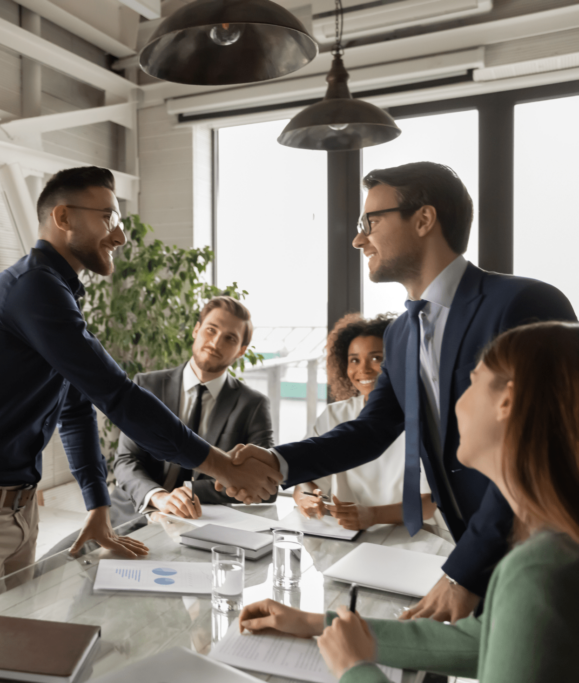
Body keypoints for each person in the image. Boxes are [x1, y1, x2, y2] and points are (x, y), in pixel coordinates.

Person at [0, 166, 280, 606]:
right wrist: (226, 467)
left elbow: (76, 408)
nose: (120, 236)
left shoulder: (58, 293)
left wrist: (98, 507)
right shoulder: (33, 289)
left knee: (16, 645)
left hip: (15, 513)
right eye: (109, 219)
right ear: (64, 218)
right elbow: (117, 395)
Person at [235, 161, 575, 622]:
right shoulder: (400, 335)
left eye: (370, 222)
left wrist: (465, 571)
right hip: (464, 548)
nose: (358, 239)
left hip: (539, 558)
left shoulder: (522, 303)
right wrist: (278, 463)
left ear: (423, 219)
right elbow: (371, 429)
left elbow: (540, 448)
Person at [238, 321, 579, 683]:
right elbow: (477, 643)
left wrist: (355, 669)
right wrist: (312, 623)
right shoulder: (552, 550)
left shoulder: (537, 572)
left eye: (472, 381)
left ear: (507, 400)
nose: (455, 401)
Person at [113, 295, 275, 524]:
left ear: (241, 351)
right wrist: (158, 497)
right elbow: (126, 460)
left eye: (230, 338)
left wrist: (187, 491)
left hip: (204, 522)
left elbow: (264, 485)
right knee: (63, 558)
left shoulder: (253, 405)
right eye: (211, 330)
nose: (216, 342)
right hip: (136, 508)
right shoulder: (147, 385)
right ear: (196, 330)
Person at [293, 313, 436, 530]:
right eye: (354, 360)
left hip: (411, 536)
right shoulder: (334, 415)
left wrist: (372, 515)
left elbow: (428, 504)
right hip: (345, 535)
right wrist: (306, 498)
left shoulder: (423, 418)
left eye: (377, 358)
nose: (364, 369)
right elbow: (304, 479)